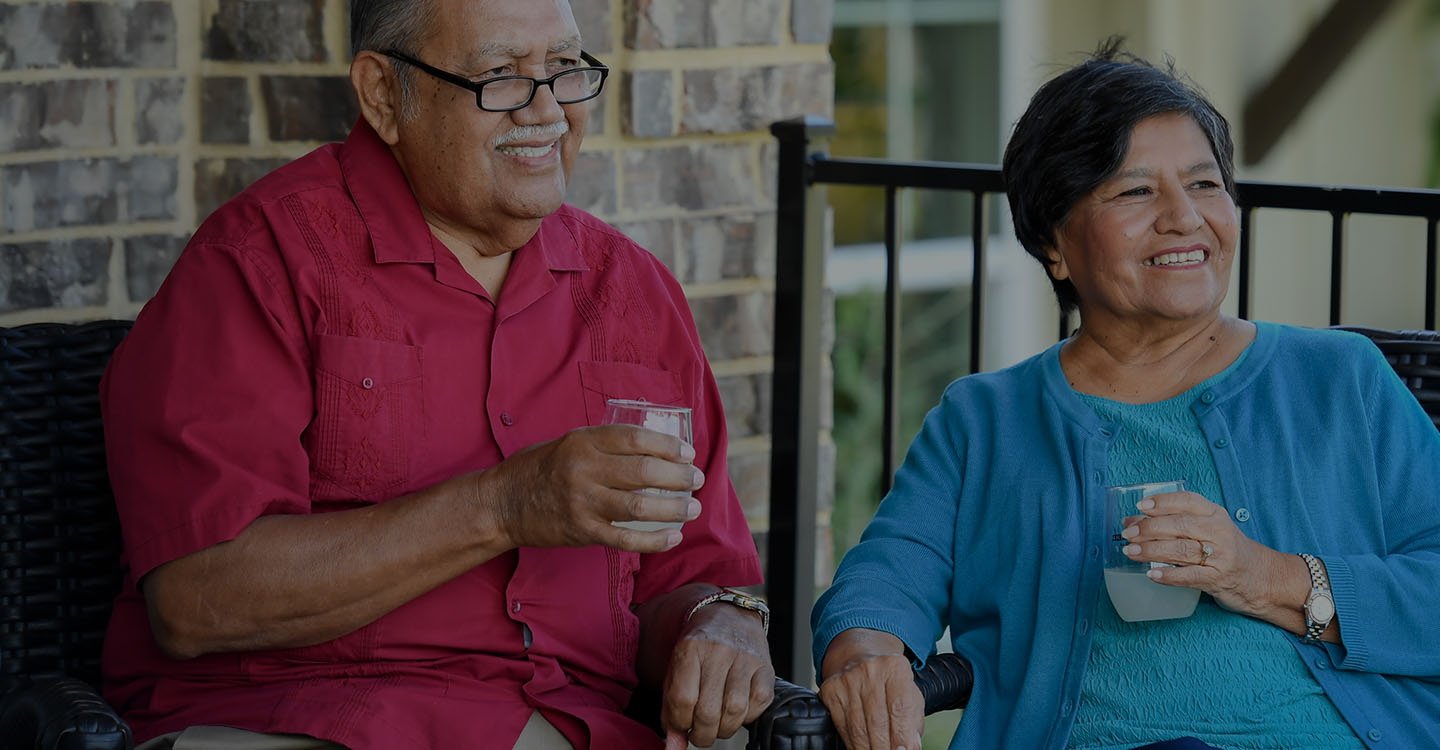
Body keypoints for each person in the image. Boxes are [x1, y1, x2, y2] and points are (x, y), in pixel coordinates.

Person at [98, 1, 774, 748]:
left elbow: (688, 573)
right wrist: (506, 504)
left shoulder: (633, 293)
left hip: (580, 722)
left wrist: (722, 623)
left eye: (564, 69)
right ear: (385, 95)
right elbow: (195, 598)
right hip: (307, 719)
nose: (548, 111)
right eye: (500, 76)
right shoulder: (258, 263)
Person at [810, 40, 1440, 750]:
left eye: (1205, 185)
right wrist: (867, 658)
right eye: (1136, 191)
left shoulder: (1340, 380)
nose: (1183, 217)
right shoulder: (983, 422)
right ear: (1055, 243)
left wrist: (1260, 574)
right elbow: (883, 581)